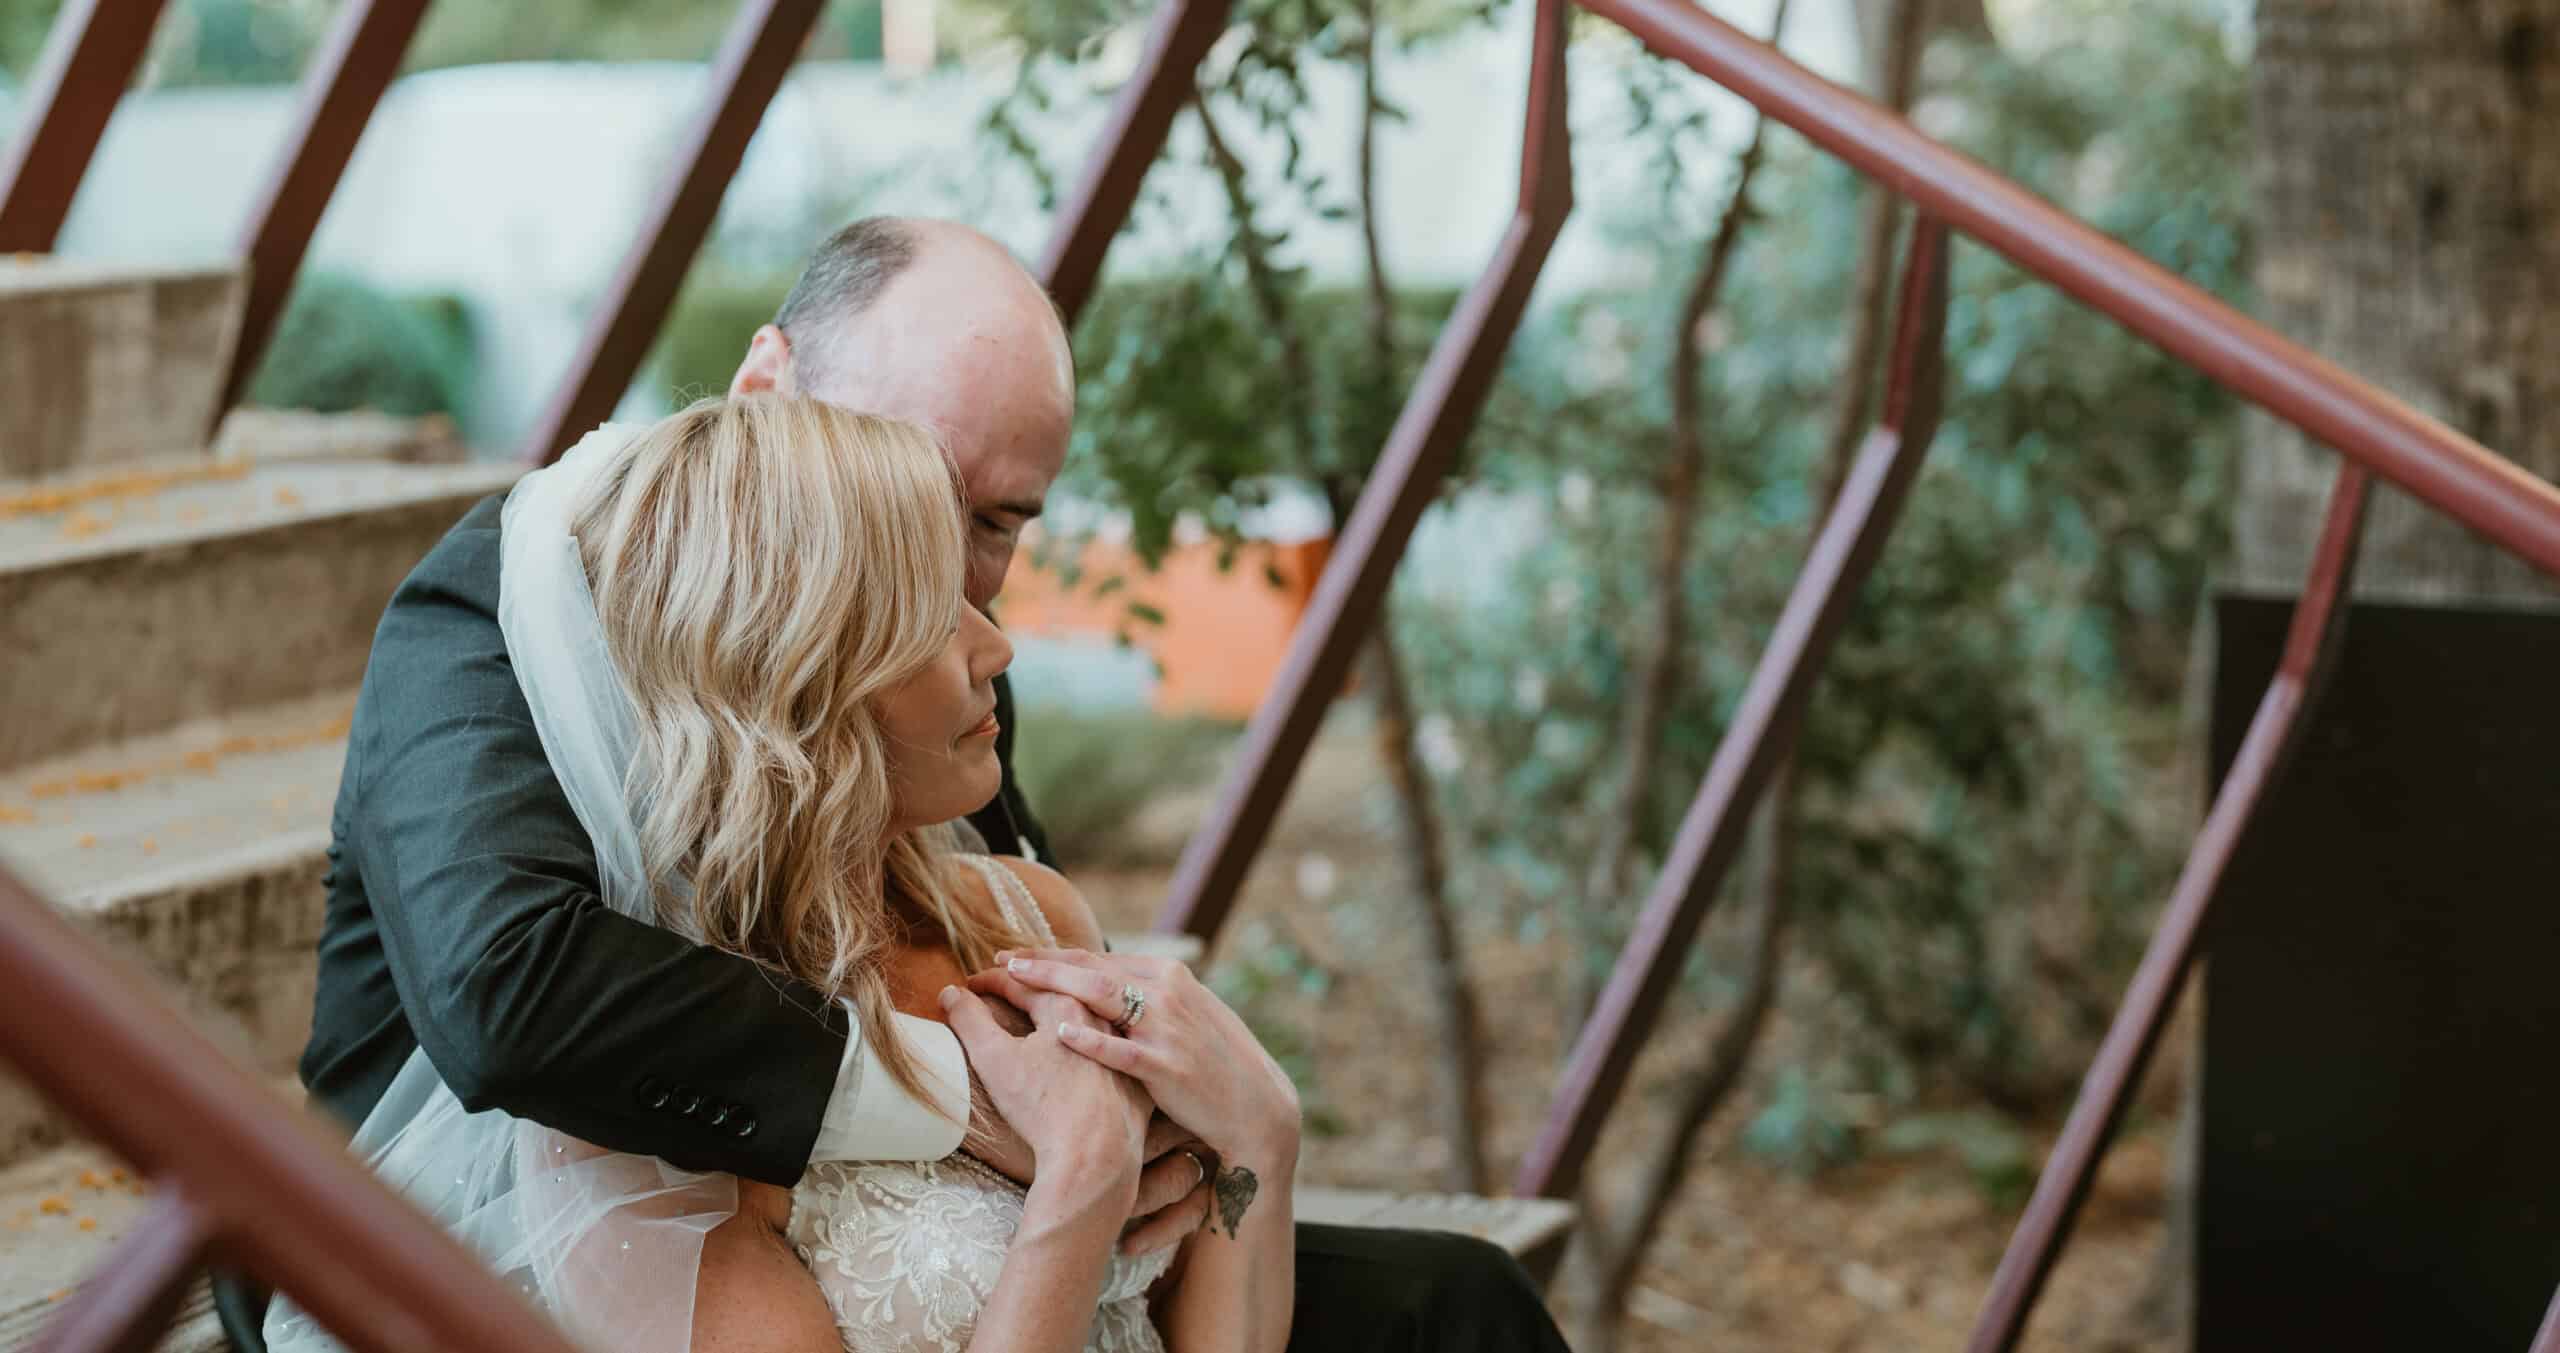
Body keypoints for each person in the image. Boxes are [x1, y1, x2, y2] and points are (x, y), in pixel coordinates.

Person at [227, 216, 1569, 1353]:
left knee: (1460, 1301)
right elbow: (510, 998)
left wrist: (1200, 1128)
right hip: (537, 1206)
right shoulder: (501, 604)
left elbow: (994, 947)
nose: (977, 596)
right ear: (768, 392)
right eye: (916, 513)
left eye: (997, 524)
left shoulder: (951, 648)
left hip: (965, 1237)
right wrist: (956, 1096)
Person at [267, 395, 1300, 1351]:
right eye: (937, 613)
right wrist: (1079, 1184)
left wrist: (1261, 1132)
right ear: (800, 680)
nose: (998, 647)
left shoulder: (1029, 916)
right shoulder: (639, 1135)